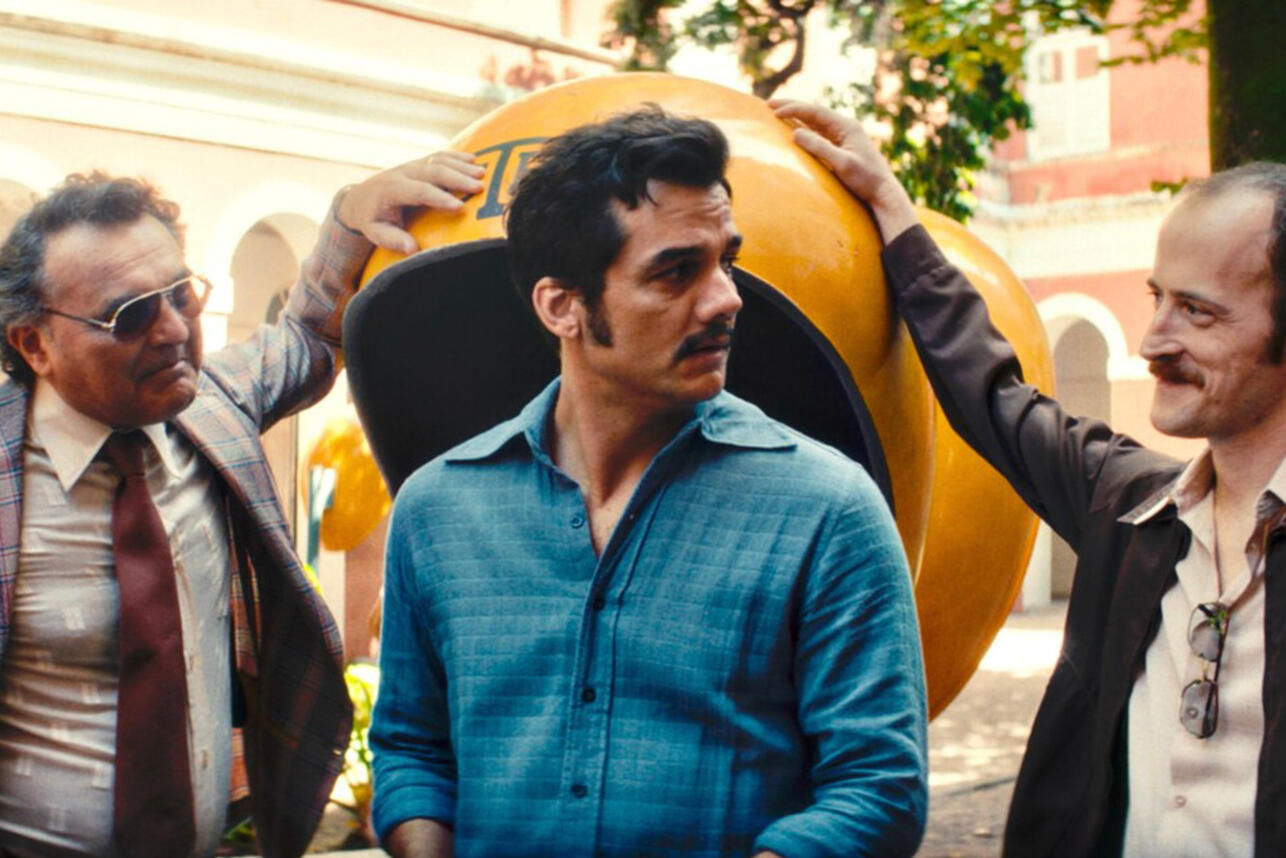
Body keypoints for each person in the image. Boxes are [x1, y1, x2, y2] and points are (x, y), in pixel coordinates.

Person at [369, 107, 928, 858]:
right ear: (562, 306)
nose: (726, 298)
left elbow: (879, 788)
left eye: (726, 261)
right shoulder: (437, 509)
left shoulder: (829, 510)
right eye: (675, 271)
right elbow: (411, 751)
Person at [773, 98, 1286, 857]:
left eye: (1197, 312)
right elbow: (992, 393)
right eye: (1157, 299)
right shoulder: (1131, 510)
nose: (1153, 340)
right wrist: (889, 202)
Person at [0, 151, 485, 858]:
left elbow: (308, 333)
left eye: (181, 294)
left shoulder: (213, 406)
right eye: (130, 315)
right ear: (34, 344)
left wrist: (350, 216)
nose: (173, 329)